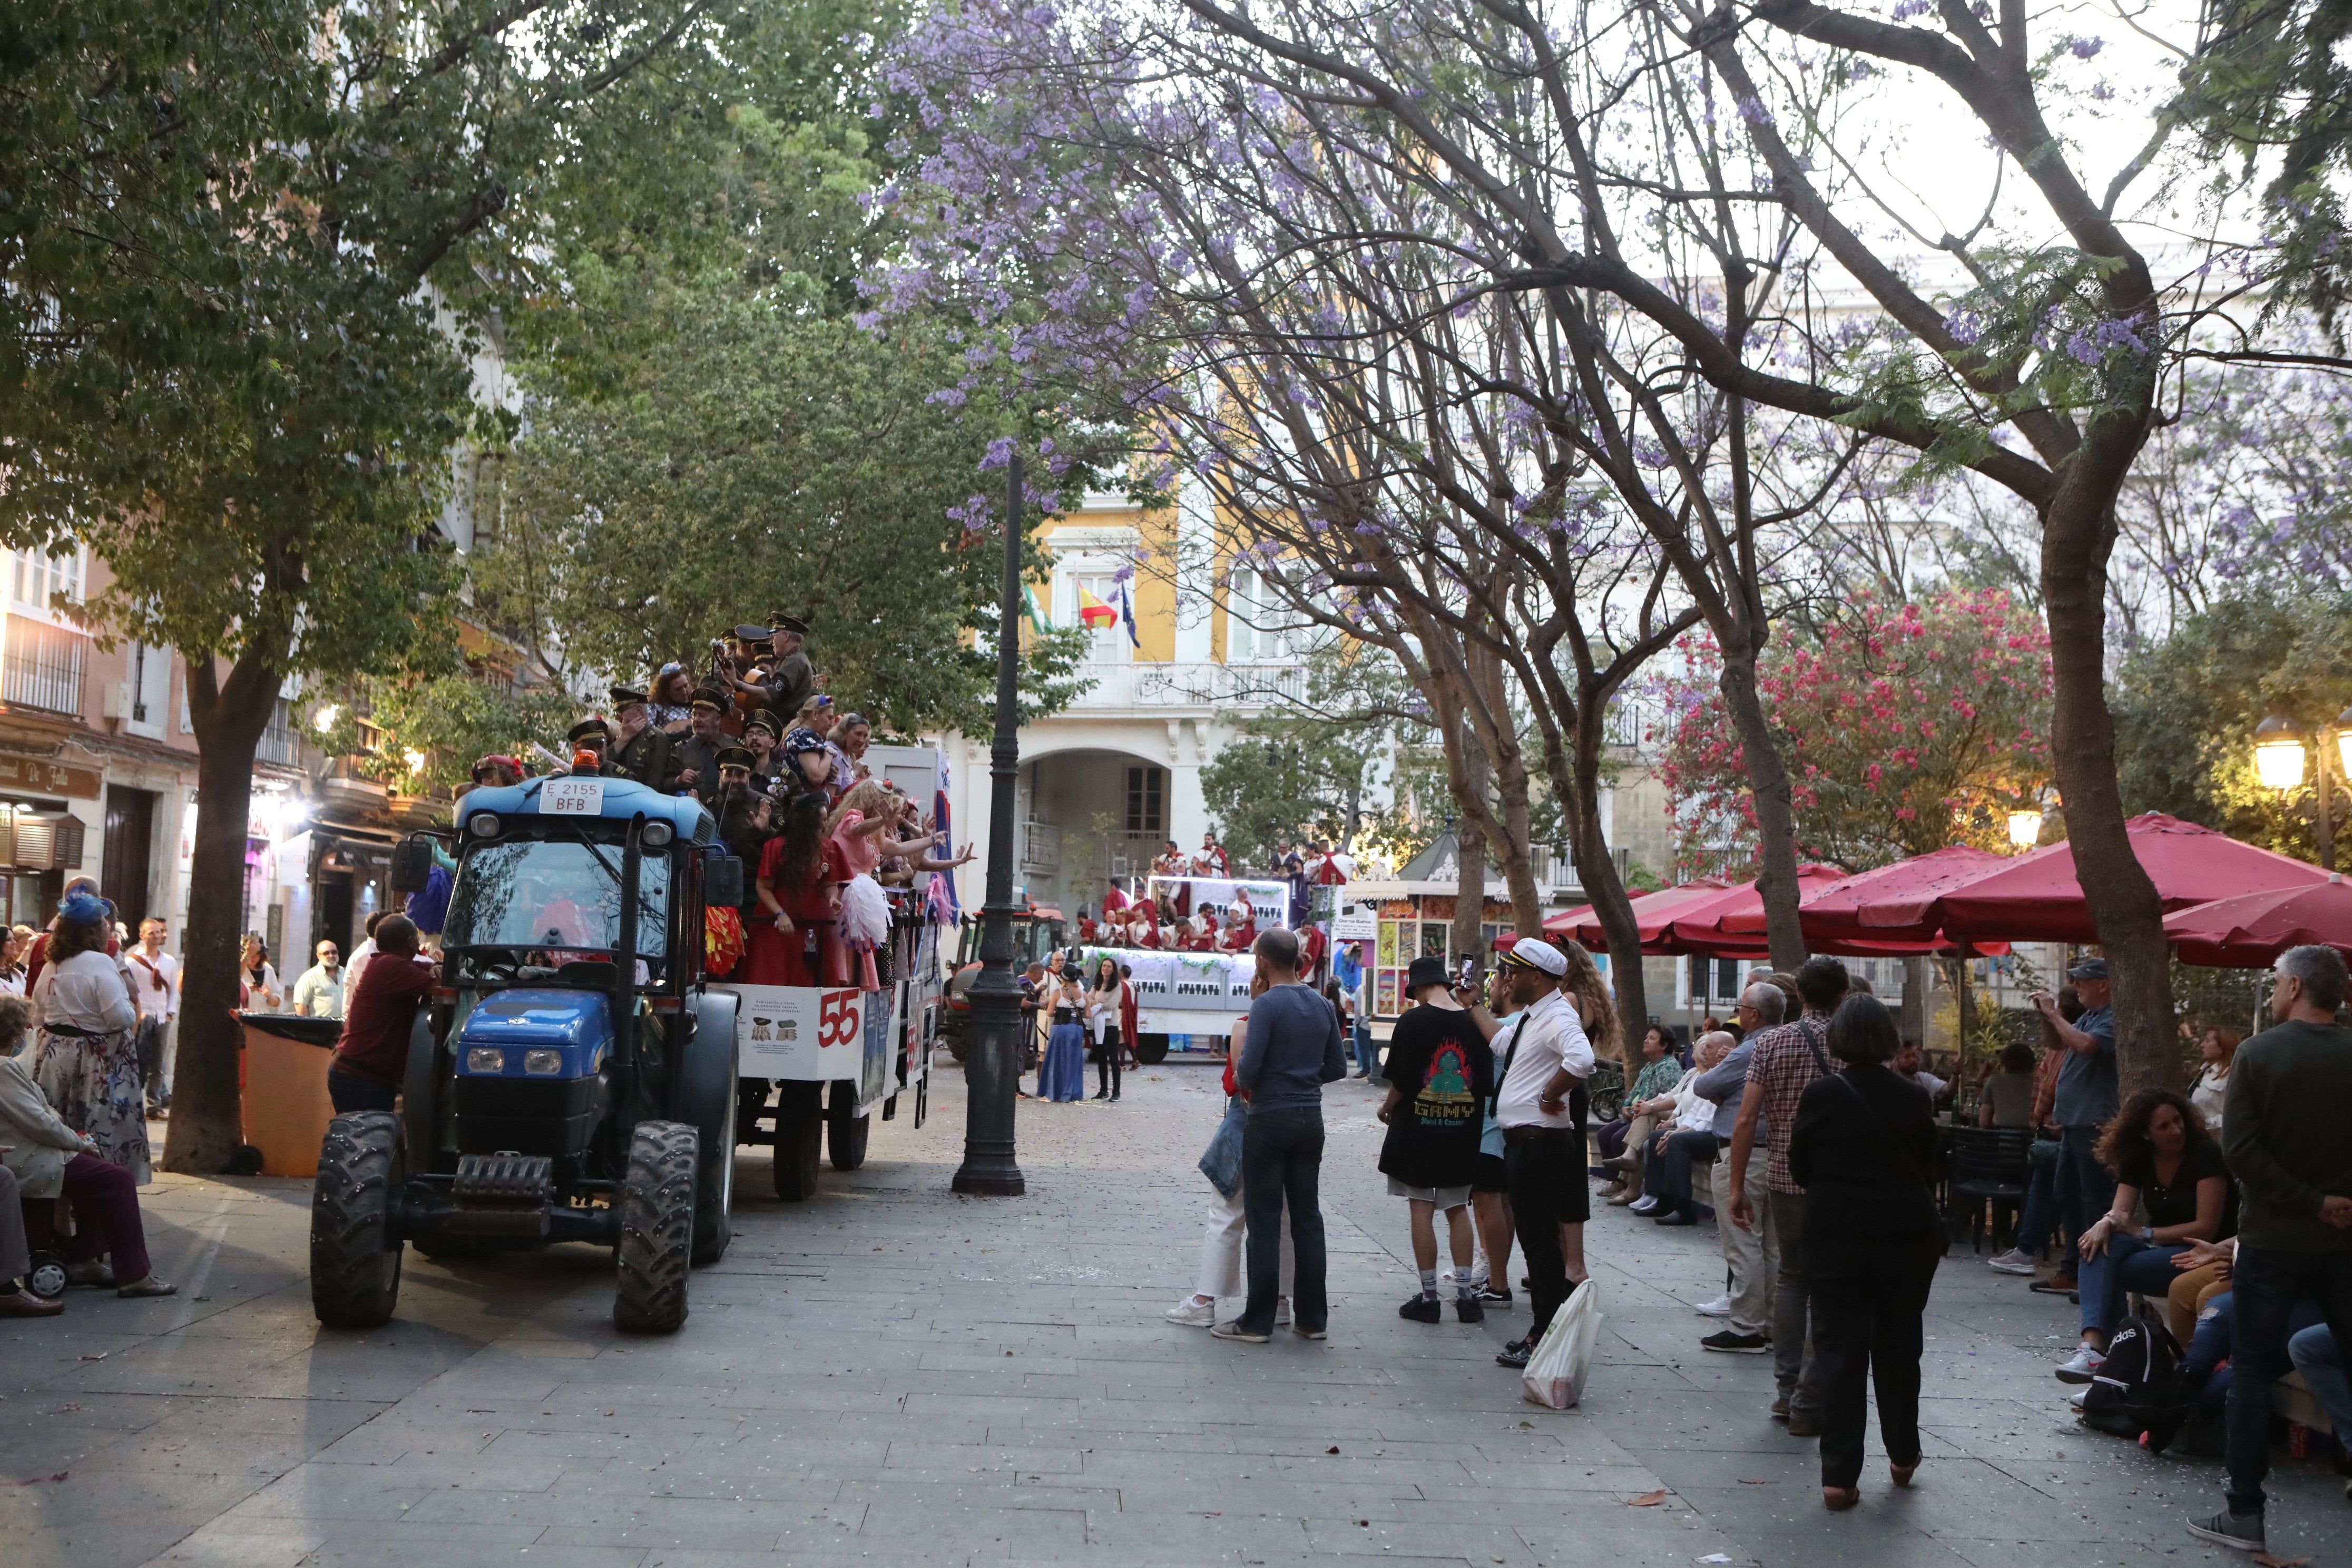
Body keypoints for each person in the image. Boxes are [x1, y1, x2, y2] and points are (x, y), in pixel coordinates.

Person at [2189, 944, 2352, 1555]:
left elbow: (2242, 1153)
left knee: (2252, 1371)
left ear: (2292, 987)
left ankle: (2244, 1513)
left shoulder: (2259, 1054)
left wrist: (2309, 1201)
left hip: (2273, 1239)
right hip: (2345, 1242)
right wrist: (2337, 1205)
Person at [1788, 994, 1939, 1511]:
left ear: (1840, 1040)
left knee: (1839, 1350)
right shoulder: (1915, 1097)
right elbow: (1933, 1166)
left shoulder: (1821, 1095)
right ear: (1889, 1040)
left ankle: (1837, 1477)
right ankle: (1902, 1453)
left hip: (1834, 1237)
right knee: (1899, 1344)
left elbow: (1801, 1165)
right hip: (1904, 1237)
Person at [1728, 954, 1850, 1435]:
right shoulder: (1851, 1042)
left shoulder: (1773, 1042)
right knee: (1829, 1285)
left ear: (1800, 995)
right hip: (1839, 1181)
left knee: (1793, 1280)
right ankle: (1810, 1394)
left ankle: (1786, 1389)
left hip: (1784, 1175)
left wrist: (1738, 1186)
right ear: (1843, 994)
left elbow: (1745, 1117)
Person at [1213, 927, 1347, 1344]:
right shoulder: (1322, 1004)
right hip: (1311, 1118)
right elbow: (1338, 1067)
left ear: (1263, 961)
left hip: (1270, 1116)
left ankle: (1257, 1321)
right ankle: (1312, 1319)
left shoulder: (1268, 1005)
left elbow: (1248, 1072)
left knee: (1266, 1219)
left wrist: (1250, 1076)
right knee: (1308, 1217)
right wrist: (1306, 1079)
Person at [2057, 1088, 2232, 1382]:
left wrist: (2144, 1231)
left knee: (2111, 1263)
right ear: (2146, 1134)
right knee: (2101, 1245)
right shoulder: (2140, 1159)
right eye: (2164, 1126)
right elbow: (2120, 1215)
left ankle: (2109, 1359)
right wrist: (2105, 1224)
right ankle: (2094, 1347)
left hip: (2203, 1252)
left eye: (2178, 1120)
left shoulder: (2204, 1153)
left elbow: (2207, 1227)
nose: (2176, 1130)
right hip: (2160, 1248)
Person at [1, 1008, 172, 1299]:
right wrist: (78, 1143)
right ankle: (134, 1274)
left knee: (99, 1172)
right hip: (29, 1156)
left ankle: (84, 1257)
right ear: (15, 1033)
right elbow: (38, 1122)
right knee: (118, 1180)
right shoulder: (4, 1068)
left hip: (30, 1149)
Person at [1487, 938, 1593, 1370]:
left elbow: (1583, 1059)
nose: (1508, 978)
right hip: (1528, 1143)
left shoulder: (1556, 1015)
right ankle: (1543, 1329)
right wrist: (1469, 1004)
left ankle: (1544, 1332)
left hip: (1539, 1144)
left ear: (1537, 977)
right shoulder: (1534, 1016)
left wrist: (1551, 1092)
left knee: (1540, 1244)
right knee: (1537, 1242)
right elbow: (1499, 1044)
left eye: (1514, 971)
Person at [1167, 972, 1294, 1328]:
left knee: (1226, 1212)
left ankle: (1205, 1301)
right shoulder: (1303, 1022)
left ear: (1261, 982)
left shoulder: (1246, 1025)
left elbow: (1241, 1081)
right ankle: (1281, 1300)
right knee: (1282, 1217)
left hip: (1248, 1122)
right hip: (1289, 1125)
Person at [1379, 956, 1493, 1324]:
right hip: (1462, 1130)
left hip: (1417, 1130)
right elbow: (1485, 1083)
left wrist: (1386, 1109)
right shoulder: (1473, 1022)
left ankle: (1429, 1298)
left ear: (1417, 988)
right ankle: (1465, 1297)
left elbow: (1400, 1080)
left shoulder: (1413, 1021)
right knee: (1459, 1208)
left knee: (1421, 1207)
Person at [27, 890, 148, 1184]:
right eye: (103, 923)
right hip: (95, 1061)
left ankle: (60, 1196)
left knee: (59, 1127)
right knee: (97, 1127)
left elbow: (37, 1015)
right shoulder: (99, 963)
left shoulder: (52, 965)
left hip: (53, 1058)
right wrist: (132, 1013)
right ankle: (99, 1188)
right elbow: (119, 1017)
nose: (108, 927)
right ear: (93, 931)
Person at [2031, 957, 2120, 1309]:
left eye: (2083, 981)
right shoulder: (2089, 1016)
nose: (2077, 987)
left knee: (2095, 1200)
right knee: (2066, 1194)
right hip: (2073, 1122)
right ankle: (2072, 1267)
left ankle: (2097, 1278)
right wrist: (2046, 1016)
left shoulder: (2113, 1017)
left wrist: (2055, 1013)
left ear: (2104, 983)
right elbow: (2060, 1044)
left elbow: (2085, 1046)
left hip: (2094, 1122)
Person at [1697, 994, 1777, 1353]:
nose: (1737, 1014)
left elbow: (1704, 1086)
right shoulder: (1788, 1041)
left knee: (1744, 1241)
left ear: (1754, 1015)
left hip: (1743, 1155)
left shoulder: (1750, 1049)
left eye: (1741, 1008)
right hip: (1777, 1153)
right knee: (1771, 1246)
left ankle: (1746, 1327)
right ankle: (1771, 1321)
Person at [326, 917, 437, 1113]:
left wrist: (437, 968)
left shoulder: (387, 963)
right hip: (361, 1079)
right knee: (367, 1139)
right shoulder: (391, 966)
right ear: (410, 941)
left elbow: (430, 969)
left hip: (362, 1076)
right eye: (417, 938)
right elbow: (440, 986)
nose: (419, 943)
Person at [1604, 1026, 1686, 1207]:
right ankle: (1621, 1181)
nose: (1645, 1041)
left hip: (1672, 1115)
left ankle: (1630, 1187)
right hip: (1644, 1113)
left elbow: (1672, 1099)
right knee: (1606, 1133)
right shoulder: (1649, 1067)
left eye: (1652, 1038)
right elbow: (1637, 1093)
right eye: (1646, 1037)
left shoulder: (1670, 1067)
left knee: (1626, 1134)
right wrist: (1628, 1107)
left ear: (1664, 1045)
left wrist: (1645, 1107)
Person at [125, 916, 178, 1118]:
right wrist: (137, 1016)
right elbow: (131, 991)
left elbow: (173, 990)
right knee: (138, 1060)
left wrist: (170, 1013)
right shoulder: (132, 962)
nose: (156, 935)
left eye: (159, 932)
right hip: (142, 1017)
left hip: (162, 1016)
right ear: (142, 936)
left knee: (159, 1064)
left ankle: (154, 1104)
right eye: (152, 932)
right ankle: (134, 1103)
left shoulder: (170, 962)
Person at [1038, 964, 1089, 1103]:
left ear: (1063, 978)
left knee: (1056, 1060)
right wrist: (1078, 1012)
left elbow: (1049, 1013)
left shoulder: (1058, 993)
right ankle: (1072, 1094)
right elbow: (1089, 1015)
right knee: (1074, 1061)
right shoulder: (1084, 994)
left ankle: (1053, 1093)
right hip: (1077, 1029)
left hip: (1061, 1028)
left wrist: (1058, 1012)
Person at [671, 688, 731, 799]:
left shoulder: (734, 747)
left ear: (717, 720)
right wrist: (678, 780)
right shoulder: (681, 749)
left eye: (702, 716)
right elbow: (664, 784)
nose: (696, 720)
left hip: (727, 811)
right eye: (694, 715)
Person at [2189, 1024, 2240, 1137]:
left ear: (2222, 1048)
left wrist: (2206, 1123)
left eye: (2207, 1041)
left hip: (2219, 1143)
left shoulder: (2232, 1076)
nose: (2202, 1045)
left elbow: (2236, 1114)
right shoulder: (2204, 1072)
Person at [1089, 955, 1126, 1102]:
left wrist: (1097, 1004)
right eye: (1104, 966)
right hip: (1098, 1025)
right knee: (1101, 1059)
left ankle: (1116, 1091)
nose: (1105, 969)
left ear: (1113, 970)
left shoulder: (1117, 986)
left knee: (1113, 1059)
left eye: (1109, 967)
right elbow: (1089, 999)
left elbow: (1112, 1005)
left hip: (1111, 1026)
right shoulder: (1096, 985)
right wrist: (1099, 1004)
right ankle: (1103, 1090)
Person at [1977, 1042, 2038, 1128]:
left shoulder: (1994, 1081)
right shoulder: (2039, 1085)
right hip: (2033, 1140)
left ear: (2005, 1065)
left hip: (2004, 1140)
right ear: (2032, 1065)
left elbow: (1984, 1123)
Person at [291, 939, 346, 1020]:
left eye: (334, 952)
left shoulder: (345, 973)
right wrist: (309, 1028)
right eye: (326, 953)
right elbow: (300, 1004)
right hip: (322, 1028)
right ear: (319, 956)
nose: (331, 956)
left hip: (345, 1026)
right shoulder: (309, 977)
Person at [1892, 1040, 1946, 1104]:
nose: (1913, 1060)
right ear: (1896, 1062)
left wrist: (1956, 1073)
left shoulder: (1923, 1078)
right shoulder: (1890, 1084)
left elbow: (1949, 1089)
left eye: (1914, 1056)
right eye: (1907, 1057)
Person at [239, 933, 282, 1010]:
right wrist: (247, 989)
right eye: (251, 954)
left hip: (262, 1019)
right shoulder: (240, 970)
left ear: (262, 955)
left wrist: (269, 995)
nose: (253, 957)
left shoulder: (268, 970)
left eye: (257, 954)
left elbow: (277, 1002)